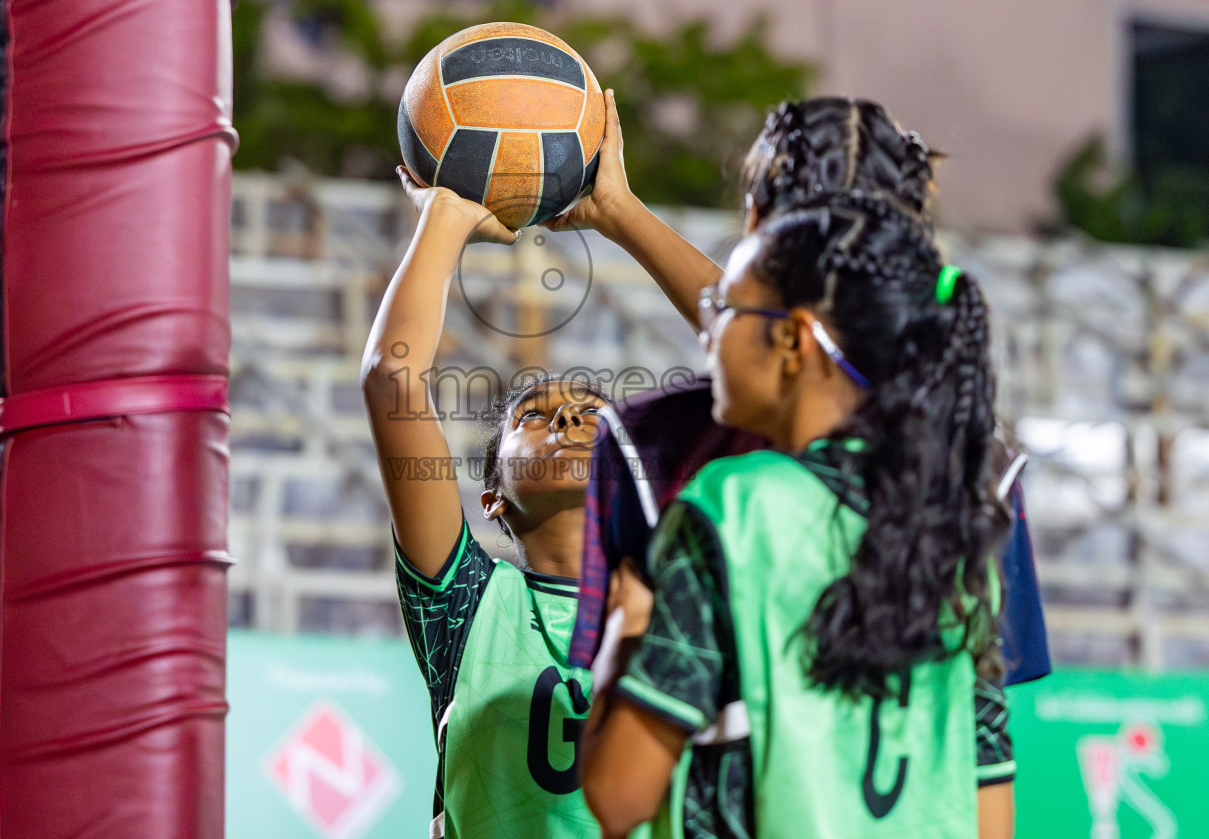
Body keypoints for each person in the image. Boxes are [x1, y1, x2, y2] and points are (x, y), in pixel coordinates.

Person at [551, 96, 1040, 834]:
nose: (715, 327)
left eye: (731, 305)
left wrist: (629, 634)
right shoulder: (964, 507)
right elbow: (989, 806)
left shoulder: (719, 501)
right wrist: (622, 213)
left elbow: (615, 796)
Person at [359, 168, 612, 839]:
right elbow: (392, 377)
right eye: (537, 415)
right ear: (493, 497)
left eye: (592, 417)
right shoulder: (466, 600)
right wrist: (444, 213)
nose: (567, 424)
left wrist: (622, 216)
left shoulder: (679, 600)